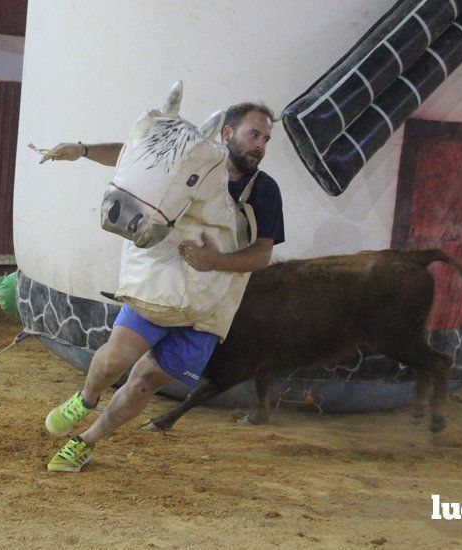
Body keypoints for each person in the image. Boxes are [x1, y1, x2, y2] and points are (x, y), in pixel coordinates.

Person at [40, 103, 285, 472]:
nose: (260, 145)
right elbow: (138, 153)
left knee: (144, 383)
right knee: (114, 359)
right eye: (254, 134)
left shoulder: (265, 191)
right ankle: (86, 398)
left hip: (208, 307)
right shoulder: (193, 160)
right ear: (227, 133)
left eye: (265, 138)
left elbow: (262, 254)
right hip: (160, 284)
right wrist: (84, 150)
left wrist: (215, 261)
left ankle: (85, 442)